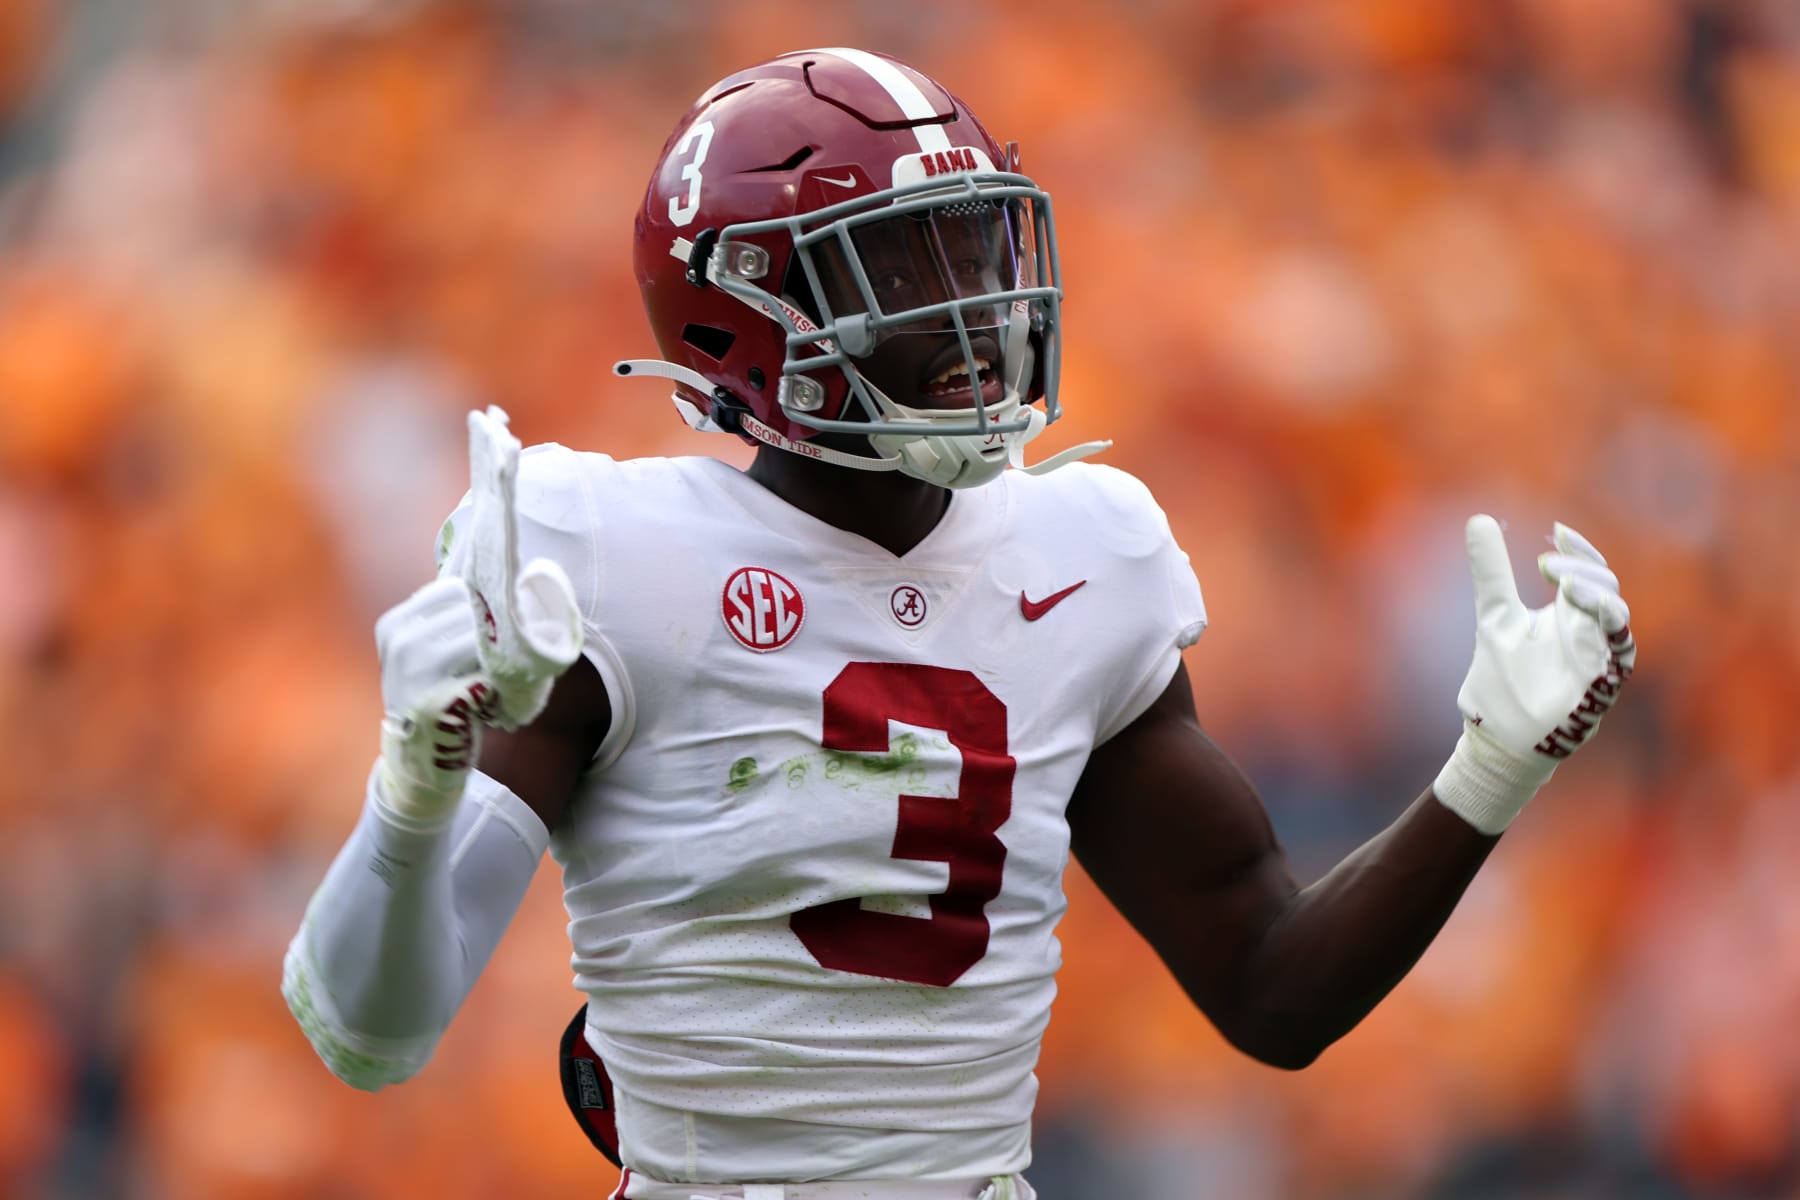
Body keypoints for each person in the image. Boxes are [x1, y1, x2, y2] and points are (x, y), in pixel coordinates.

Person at [282, 47, 1637, 1200]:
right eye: (900, 264)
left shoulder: (1083, 557)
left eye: (974, 247)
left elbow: (1273, 989)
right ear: (747, 313)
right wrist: (412, 794)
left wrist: (1487, 772)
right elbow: (367, 1033)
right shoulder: (610, 561)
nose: (974, 309)